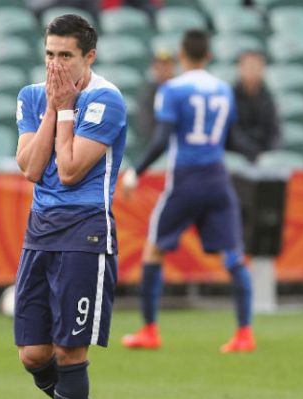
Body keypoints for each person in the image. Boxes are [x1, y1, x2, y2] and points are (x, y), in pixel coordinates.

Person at [6, 14, 126, 399]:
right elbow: (32, 168)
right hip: (40, 230)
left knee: (70, 352)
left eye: (66, 56)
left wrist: (69, 108)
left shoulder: (106, 100)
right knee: (34, 355)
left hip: (86, 232)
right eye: (49, 54)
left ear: (88, 57)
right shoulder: (32, 96)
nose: (55, 65)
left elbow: (72, 169)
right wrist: (55, 107)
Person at [120, 30, 256, 353]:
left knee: (154, 250)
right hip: (218, 177)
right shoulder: (224, 89)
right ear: (208, 56)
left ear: (182, 55)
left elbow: (162, 139)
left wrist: (134, 172)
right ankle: (244, 333)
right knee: (233, 256)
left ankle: (150, 329)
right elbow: (230, 137)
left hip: (186, 179)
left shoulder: (172, 90)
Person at [225, 50, 281, 163]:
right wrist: (255, 153)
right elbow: (233, 133)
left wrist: (268, 154)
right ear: (240, 68)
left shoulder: (268, 98)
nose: (252, 70)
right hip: (236, 156)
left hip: (264, 157)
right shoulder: (230, 97)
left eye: (256, 66)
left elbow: (275, 131)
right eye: (249, 66)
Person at [136, 49, 177, 142]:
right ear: (154, 67)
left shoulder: (181, 89)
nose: (164, 68)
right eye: (160, 65)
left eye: (167, 65)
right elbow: (145, 123)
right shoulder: (148, 92)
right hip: (155, 143)